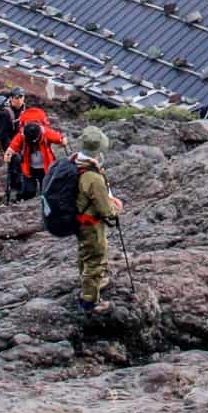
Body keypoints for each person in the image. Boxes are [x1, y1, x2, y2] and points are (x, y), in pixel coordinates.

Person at [72, 126, 122, 313]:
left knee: (84, 253)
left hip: (79, 221)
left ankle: (88, 282)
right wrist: (115, 208)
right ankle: (90, 301)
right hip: (91, 224)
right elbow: (105, 209)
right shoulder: (93, 177)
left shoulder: (75, 163)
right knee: (96, 258)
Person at [4, 106, 65, 201]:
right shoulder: (22, 134)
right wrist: (9, 152)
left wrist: (62, 140)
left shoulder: (46, 132)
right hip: (29, 167)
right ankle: (27, 200)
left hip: (45, 167)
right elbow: (14, 145)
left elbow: (58, 137)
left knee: (45, 189)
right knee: (29, 191)